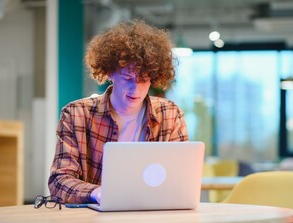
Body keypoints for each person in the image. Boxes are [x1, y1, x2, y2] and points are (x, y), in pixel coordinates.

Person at [48, 20, 189, 204]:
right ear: (110, 72)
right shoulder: (76, 115)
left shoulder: (169, 114)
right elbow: (59, 181)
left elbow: (181, 181)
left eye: (143, 80)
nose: (135, 89)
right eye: (127, 78)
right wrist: (98, 193)